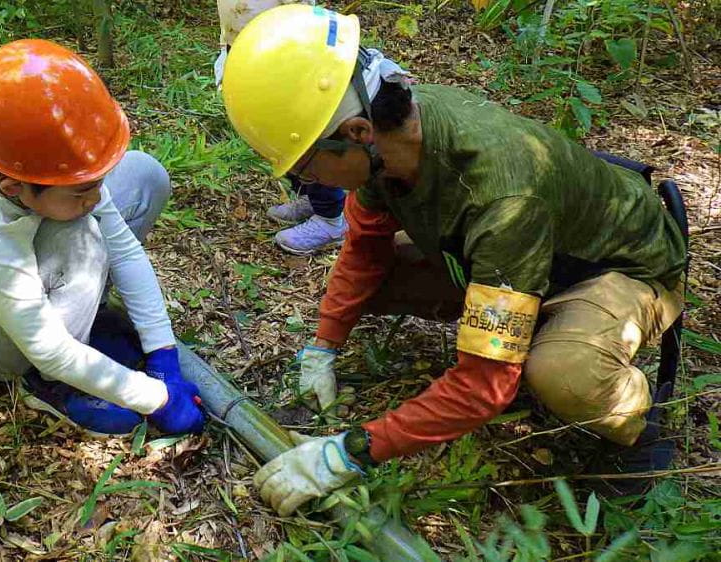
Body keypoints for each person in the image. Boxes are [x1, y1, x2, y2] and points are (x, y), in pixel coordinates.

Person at [220, 5, 686, 514]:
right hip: (523, 256)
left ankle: (638, 432)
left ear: (355, 133)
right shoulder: (391, 140)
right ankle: (524, 325)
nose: (308, 184)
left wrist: (351, 451)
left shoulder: (500, 197)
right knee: (366, 286)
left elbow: (486, 387)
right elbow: (364, 249)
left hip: (617, 268)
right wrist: (324, 346)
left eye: (308, 167)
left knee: (563, 373)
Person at [0, 39, 205, 437]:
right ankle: (51, 384)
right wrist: (157, 399)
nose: (97, 196)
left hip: (21, 286)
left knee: (142, 175)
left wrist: (162, 352)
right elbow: (48, 348)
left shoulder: (42, 170)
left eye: (95, 183)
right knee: (77, 233)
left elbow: (123, 248)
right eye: (82, 191)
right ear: (15, 188)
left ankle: (81, 325)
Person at [215, 0, 348, 255]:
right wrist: (227, 47)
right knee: (276, 131)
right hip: (251, 49)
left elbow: (303, 12)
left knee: (303, 134)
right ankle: (308, 197)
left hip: (286, 54)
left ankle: (330, 219)